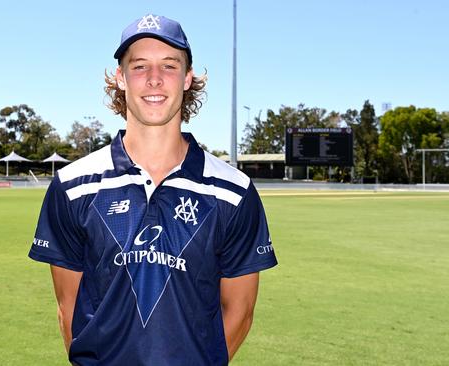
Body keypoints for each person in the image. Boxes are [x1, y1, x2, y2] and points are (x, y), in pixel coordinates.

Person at [28, 13, 277, 365]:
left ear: (188, 78)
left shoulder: (233, 191)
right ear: (121, 77)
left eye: (170, 66)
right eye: (140, 66)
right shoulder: (73, 186)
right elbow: (69, 309)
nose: (155, 79)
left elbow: (240, 312)